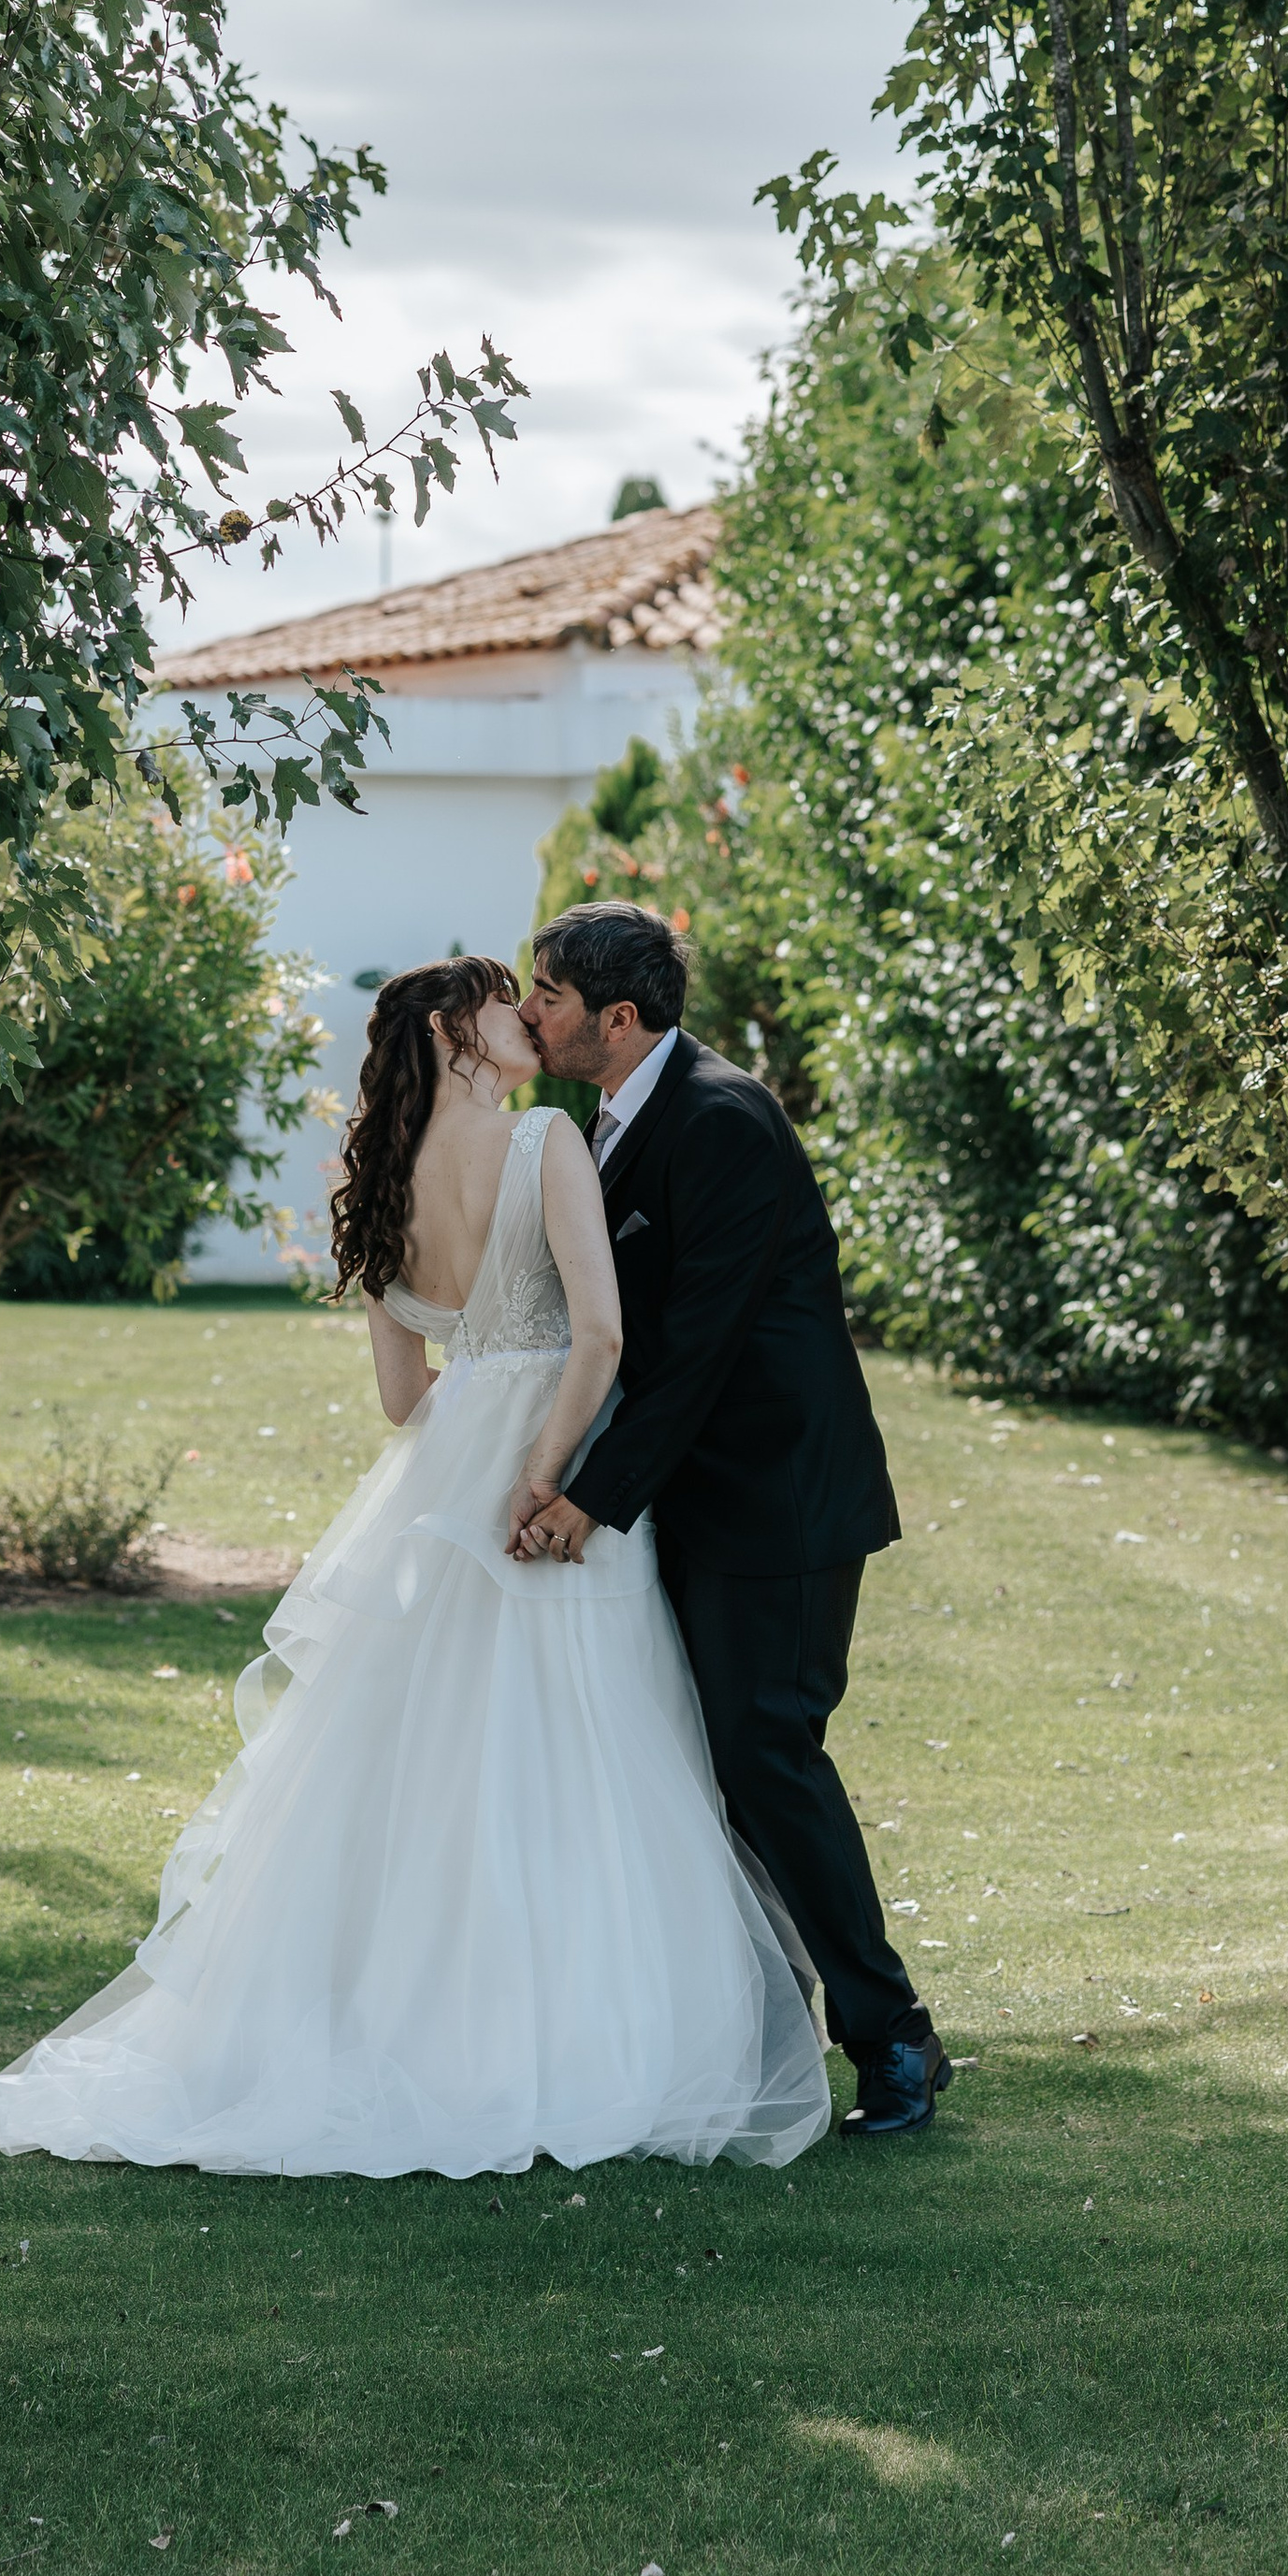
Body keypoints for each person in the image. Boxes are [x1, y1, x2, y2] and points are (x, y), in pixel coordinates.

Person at [0, 953, 831, 2181]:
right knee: (582, 1738)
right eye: (508, 1002)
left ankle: (401, 2018)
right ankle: (571, 2036)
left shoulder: (376, 1179)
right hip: (542, 1466)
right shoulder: (543, 1145)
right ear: (464, 1033)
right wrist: (549, 1469)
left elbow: (405, 1400)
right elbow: (602, 1337)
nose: (528, 1017)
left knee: (432, 1752)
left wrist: (483, 1417)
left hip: (445, 1474)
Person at [513, 901, 950, 2135]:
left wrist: (590, 1500)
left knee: (768, 1756)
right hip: (700, 1504)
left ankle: (894, 2038)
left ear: (618, 1016)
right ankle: (756, 2029)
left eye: (546, 992)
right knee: (712, 1766)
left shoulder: (720, 1120)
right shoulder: (603, 1118)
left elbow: (698, 1350)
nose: (528, 1009)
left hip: (780, 1503)